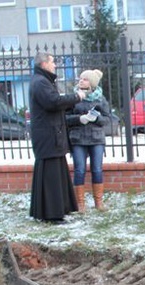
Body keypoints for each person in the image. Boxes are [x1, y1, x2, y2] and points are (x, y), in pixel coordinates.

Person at [29, 51, 86, 224]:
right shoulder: (40, 82)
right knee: (51, 177)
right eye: (52, 62)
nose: (55, 65)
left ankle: (60, 209)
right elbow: (53, 102)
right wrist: (76, 97)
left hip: (52, 135)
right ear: (44, 64)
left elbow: (56, 104)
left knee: (56, 175)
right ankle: (53, 214)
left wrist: (71, 103)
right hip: (48, 136)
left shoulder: (43, 81)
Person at [66, 69, 111, 212]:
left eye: (85, 79)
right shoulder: (73, 98)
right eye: (80, 78)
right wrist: (79, 119)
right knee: (79, 170)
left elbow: (108, 119)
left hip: (96, 139)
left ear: (91, 83)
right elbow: (65, 119)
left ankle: (99, 202)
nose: (81, 81)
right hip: (78, 139)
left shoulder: (100, 99)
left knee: (97, 170)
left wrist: (97, 118)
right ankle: (80, 204)